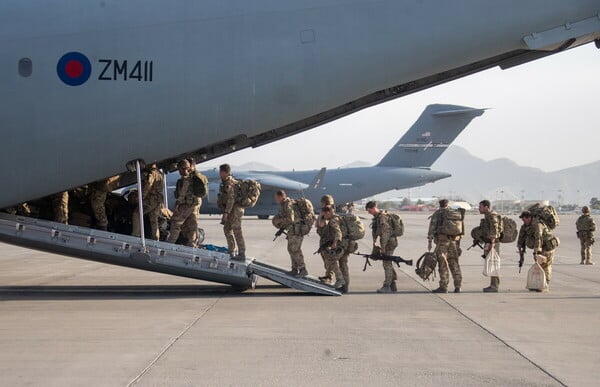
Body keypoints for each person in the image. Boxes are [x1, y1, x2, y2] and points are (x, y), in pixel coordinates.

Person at [428, 199, 463, 293]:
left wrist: (430, 241)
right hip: (454, 242)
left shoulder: (438, 213)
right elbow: (460, 230)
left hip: (442, 242)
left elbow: (432, 228)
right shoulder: (455, 213)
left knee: (443, 264)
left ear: (440, 205)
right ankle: (458, 286)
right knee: (454, 263)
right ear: (448, 204)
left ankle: (444, 286)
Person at [518, 210, 557, 291]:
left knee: (545, 266)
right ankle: (538, 284)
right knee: (539, 266)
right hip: (539, 248)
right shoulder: (525, 226)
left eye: (524, 219)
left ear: (529, 218)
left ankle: (544, 285)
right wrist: (520, 247)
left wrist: (537, 252)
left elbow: (538, 238)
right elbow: (521, 236)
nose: (523, 221)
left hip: (547, 248)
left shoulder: (538, 225)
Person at [166, 160, 202, 247]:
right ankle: (192, 243)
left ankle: (170, 243)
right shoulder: (193, 178)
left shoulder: (186, 179)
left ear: (182, 169)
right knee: (192, 225)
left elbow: (182, 194)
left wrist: (177, 204)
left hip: (186, 205)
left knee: (176, 222)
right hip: (194, 206)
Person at [366, 201, 399, 293]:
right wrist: (375, 241)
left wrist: (383, 247)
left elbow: (385, 233)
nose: (369, 213)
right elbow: (376, 231)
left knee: (386, 263)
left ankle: (387, 286)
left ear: (373, 208)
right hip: (387, 241)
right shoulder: (377, 217)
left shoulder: (382, 217)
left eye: (369, 211)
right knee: (387, 262)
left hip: (389, 242)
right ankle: (392, 284)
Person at [273, 190, 308, 277]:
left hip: (297, 231)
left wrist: (280, 220)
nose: (276, 200)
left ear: (281, 197)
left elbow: (290, 219)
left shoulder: (288, 205)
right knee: (291, 249)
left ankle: (303, 269)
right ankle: (294, 269)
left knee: (294, 250)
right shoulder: (284, 205)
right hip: (293, 230)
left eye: (277, 198)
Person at [218, 163, 246, 260]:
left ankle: (242, 253)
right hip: (231, 210)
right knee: (227, 229)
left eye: (221, 172)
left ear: (225, 172)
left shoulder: (230, 183)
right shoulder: (226, 182)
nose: (219, 174)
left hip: (235, 211)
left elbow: (231, 199)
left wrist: (226, 213)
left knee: (237, 231)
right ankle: (231, 250)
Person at [316, 206, 345, 290]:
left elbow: (338, 232)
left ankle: (340, 280)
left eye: (324, 215)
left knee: (331, 261)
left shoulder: (333, 221)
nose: (323, 216)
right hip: (336, 244)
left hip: (338, 245)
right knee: (329, 260)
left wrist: (335, 243)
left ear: (328, 212)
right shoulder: (334, 219)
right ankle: (329, 277)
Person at [132, 164, 164, 240]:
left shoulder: (152, 174)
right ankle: (156, 238)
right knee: (154, 219)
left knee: (137, 214)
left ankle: (136, 235)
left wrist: (141, 197)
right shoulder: (159, 173)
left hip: (151, 199)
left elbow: (148, 185)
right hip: (158, 199)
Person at [478, 200, 501, 292]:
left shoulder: (492, 216)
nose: (479, 209)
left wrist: (492, 243)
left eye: (480, 207)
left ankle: (494, 286)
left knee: (493, 263)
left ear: (486, 207)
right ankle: (493, 285)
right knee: (491, 263)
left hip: (493, 243)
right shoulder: (487, 216)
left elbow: (494, 229)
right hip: (489, 242)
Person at [316, 194, 336, 283]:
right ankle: (328, 276)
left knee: (328, 259)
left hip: (327, 239)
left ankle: (329, 277)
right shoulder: (330, 211)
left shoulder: (327, 211)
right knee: (326, 259)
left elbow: (321, 224)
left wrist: (319, 218)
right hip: (326, 238)